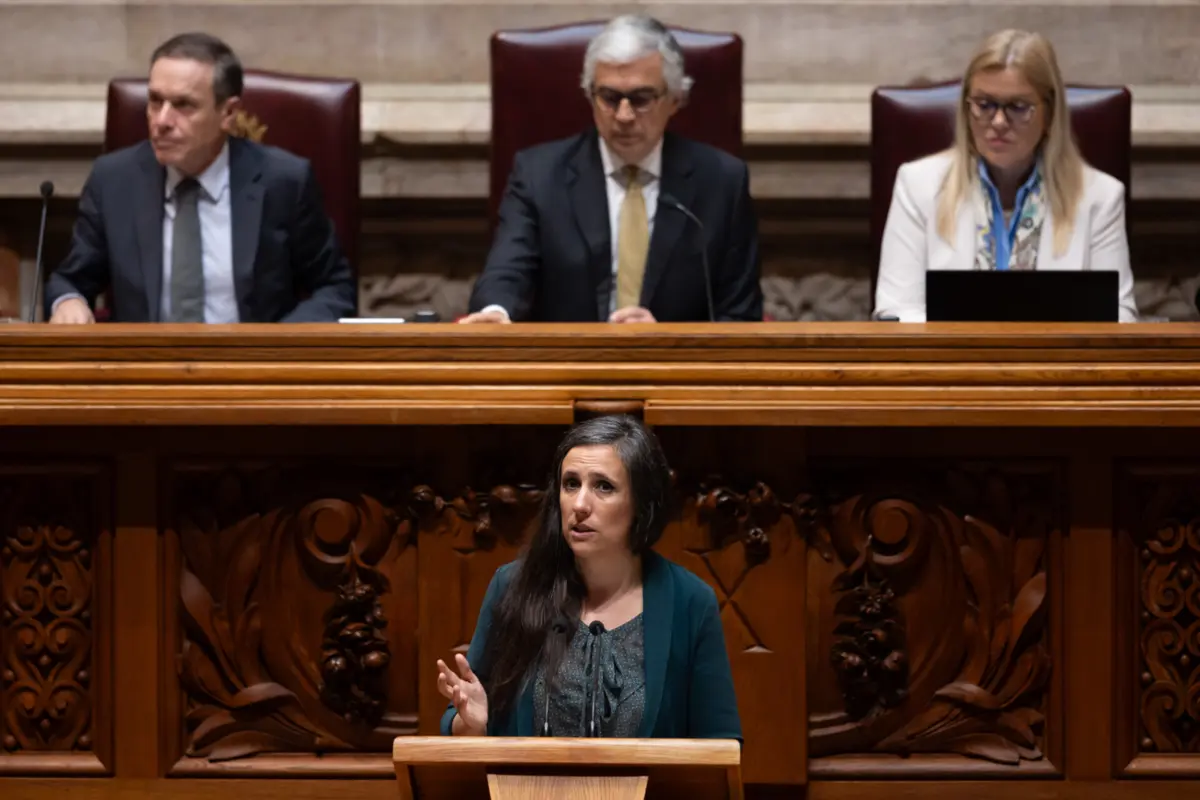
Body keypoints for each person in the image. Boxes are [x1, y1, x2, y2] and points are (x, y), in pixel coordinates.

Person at [436, 415, 741, 739]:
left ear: (642, 503)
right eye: (571, 484)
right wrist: (472, 724)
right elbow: (464, 721)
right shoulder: (512, 586)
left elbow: (720, 747)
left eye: (603, 486)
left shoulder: (690, 602)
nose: (580, 504)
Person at [461, 15, 762, 324]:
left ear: (674, 99)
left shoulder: (722, 183)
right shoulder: (539, 175)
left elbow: (739, 316)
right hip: (567, 365)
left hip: (675, 369)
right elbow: (507, 271)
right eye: (609, 97)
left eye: (641, 99)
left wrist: (667, 343)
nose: (624, 115)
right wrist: (496, 312)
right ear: (589, 96)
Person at [45, 32, 356, 323]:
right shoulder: (114, 180)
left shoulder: (284, 182)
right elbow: (70, 279)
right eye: (155, 101)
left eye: (184, 105)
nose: (162, 121)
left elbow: (335, 288)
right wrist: (69, 301)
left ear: (229, 114)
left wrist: (277, 346)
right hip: (146, 372)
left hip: (254, 371)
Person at [873, 29, 1138, 322]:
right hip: (947, 364)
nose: (998, 122)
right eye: (984, 105)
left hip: (1056, 365)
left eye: (1018, 107)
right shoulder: (917, 186)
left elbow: (1119, 318)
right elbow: (894, 313)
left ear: (1049, 114)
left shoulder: (1100, 197)